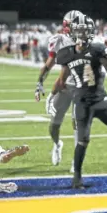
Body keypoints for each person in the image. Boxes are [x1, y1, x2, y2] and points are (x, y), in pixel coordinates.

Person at [50, 14, 107, 189]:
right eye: (79, 30)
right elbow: (62, 79)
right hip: (82, 102)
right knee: (83, 141)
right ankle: (77, 178)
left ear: (91, 31)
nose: (82, 34)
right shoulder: (65, 54)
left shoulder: (98, 49)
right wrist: (52, 97)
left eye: (85, 30)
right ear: (72, 32)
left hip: (100, 99)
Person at [35, 10, 83, 171]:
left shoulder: (89, 40)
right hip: (64, 87)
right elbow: (49, 65)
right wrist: (39, 83)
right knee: (54, 125)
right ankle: (57, 144)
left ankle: (76, 162)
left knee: (77, 122)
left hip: (81, 88)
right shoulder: (60, 40)